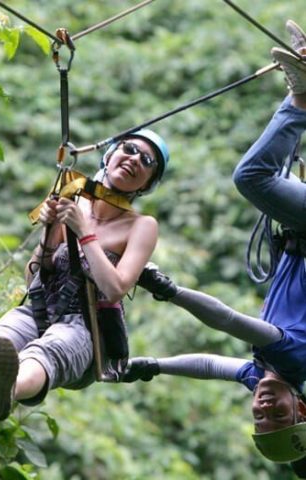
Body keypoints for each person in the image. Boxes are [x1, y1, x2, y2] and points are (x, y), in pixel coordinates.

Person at [124, 19, 306, 471]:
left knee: (267, 177)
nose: (264, 408)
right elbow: (230, 321)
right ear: (302, 409)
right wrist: (170, 292)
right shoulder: (296, 362)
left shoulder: (267, 377)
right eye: (278, 415)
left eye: (260, 419)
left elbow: (211, 365)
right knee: (253, 177)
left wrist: (155, 365)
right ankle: (302, 95)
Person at [0, 128, 170, 422]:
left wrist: (84, 233)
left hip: (87, 327)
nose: (135, 158)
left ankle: (8, 389)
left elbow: (115, 289)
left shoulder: (142, 226)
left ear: (148, 183)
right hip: (41, 309)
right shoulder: (74, 200)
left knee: (47, 351)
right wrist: (48, 234)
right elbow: (34, 278)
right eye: (129, 149)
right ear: (110, 154)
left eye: (147, 160)